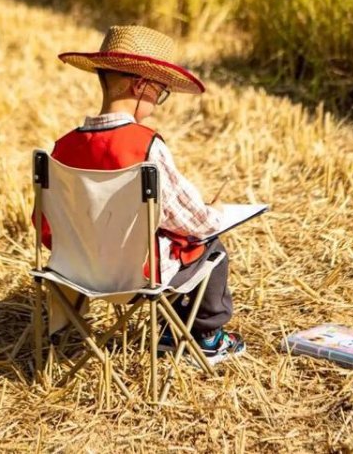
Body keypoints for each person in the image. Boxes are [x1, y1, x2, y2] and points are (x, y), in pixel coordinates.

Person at [42, 24, 245, 364]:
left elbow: (45, 222)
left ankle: (180, 331)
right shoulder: (145, 147)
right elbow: (194, 221)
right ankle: (206, 336)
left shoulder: (62, 148)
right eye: (161, 91)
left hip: (73, 271)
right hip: (136, 277)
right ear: (140, 85)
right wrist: (218, 213)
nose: (159, 100)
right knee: (212, 244)